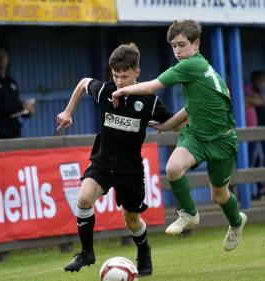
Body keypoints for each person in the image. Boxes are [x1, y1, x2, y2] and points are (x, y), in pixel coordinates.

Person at [112, 20, 247, 252]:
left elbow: (152, 86)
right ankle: (189, 214)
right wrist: (168, 125)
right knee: (173, 168)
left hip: (222, 140)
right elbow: (191, 107)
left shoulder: (191, 65)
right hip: (196, 135)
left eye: (182, 45)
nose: (177, 51)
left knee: (220, 197)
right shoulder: (194, 67)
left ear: (196, 44)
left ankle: (236, 222)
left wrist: (122, 90)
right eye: (174, 46)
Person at [57, 43, 186, 276]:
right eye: (116, 76)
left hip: (130, 169)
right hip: (103, 161)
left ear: (137, 72)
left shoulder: (149, 101)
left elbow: (176, 125)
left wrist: (179, 119)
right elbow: (83, 83)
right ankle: (87, 252)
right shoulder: (106, 91)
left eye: (125, 76)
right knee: (84, 198)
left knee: (132, 221)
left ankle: (143, 251)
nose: (119, 81)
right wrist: (68, 112)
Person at [0, 47, 35, 139]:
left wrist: (27, 111)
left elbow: (16, 106)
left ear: (8, 59)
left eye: (4, 56)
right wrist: (20, 106)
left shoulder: (11, 81)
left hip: (14, 132)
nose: (2, 59)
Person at [245, 70, 265, 198]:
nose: (262, 83)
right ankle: (256, 191)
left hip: (261, 132)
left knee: (260, 160)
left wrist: (255, 100)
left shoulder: (260, 93)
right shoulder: (250, 90)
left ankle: (260, 191)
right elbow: (248, 100)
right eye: (260, 80)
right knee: (256, 161)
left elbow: (260, 101)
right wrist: (254, 100)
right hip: (253, 133)